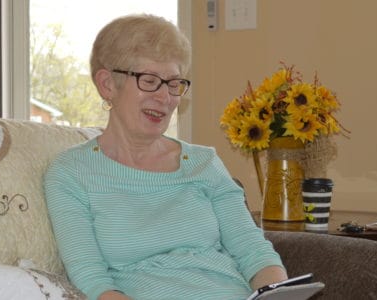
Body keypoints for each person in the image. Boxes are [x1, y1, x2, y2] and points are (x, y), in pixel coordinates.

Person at [44, 14, 287, 300]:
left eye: (174, 83)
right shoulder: (71, 173)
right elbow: (91, 279)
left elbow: (254, 252)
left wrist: (279, 295)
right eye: (149, 80)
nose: (166, 98)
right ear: (107, 84)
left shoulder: (204, 163)